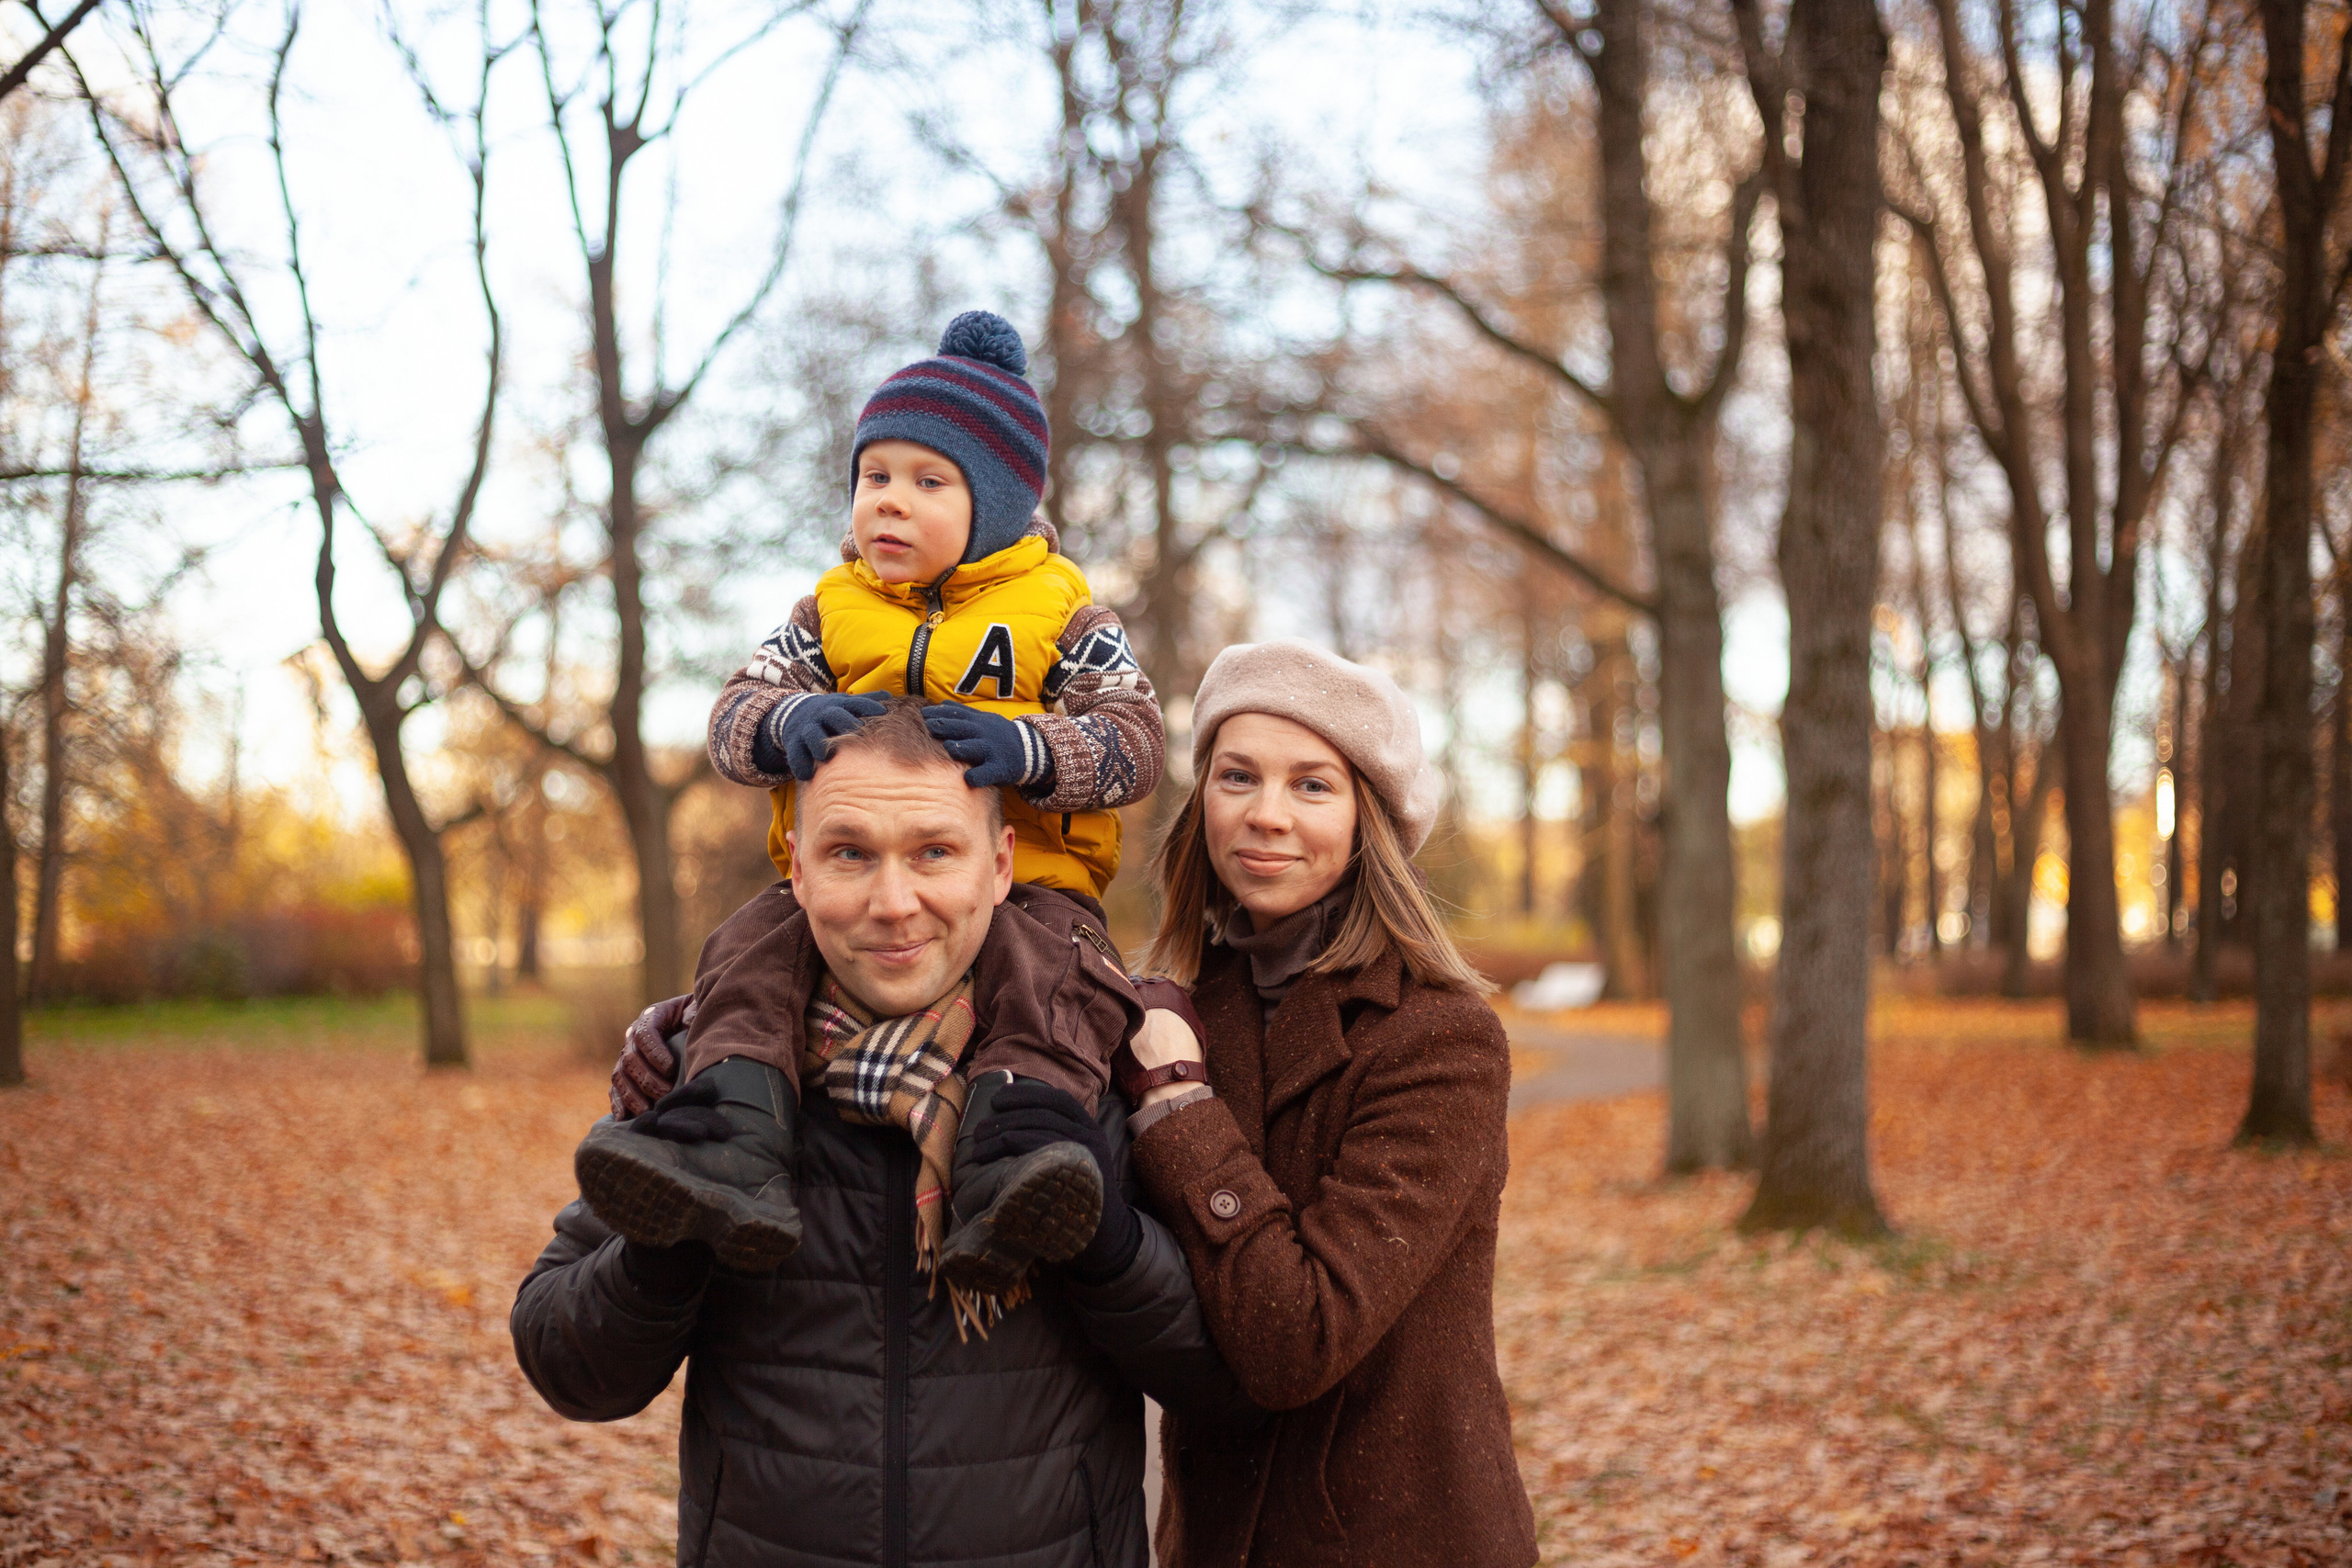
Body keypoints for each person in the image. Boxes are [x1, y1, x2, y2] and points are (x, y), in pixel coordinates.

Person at [514, 699, 1247, 1567]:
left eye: (934, 851)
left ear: (1001, 863)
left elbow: (1226, 1379)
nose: (894, 904)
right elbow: (567, 1364)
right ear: (797, 865)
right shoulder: (712, 1065)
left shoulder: (1089, 1065)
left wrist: (1108, 1242)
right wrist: (676, 1238)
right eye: (850, 853)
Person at [577, 310, 1164, 1298]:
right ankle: (732, 1141)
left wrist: (1032, 746)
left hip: (1032, 883)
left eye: (929, 482)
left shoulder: (1061, 610)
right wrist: (781, 725)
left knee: (1052, 976)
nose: (889, 502)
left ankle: (1019, 1157)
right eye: (873, 476)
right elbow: (730, 710)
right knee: (749, 950)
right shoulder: (827, 610)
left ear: (1002, 502)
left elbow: (1139, 739)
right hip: (846, 879)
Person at [1119, 637, 1539, 1568]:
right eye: (1238, 777)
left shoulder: (1439, 1040)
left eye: (1312, 786)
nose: (1267, 816)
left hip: (1401, 1540)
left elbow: (1299, 1339)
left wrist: (1178, 1102)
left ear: (1367, 821)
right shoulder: (1174, 1014)